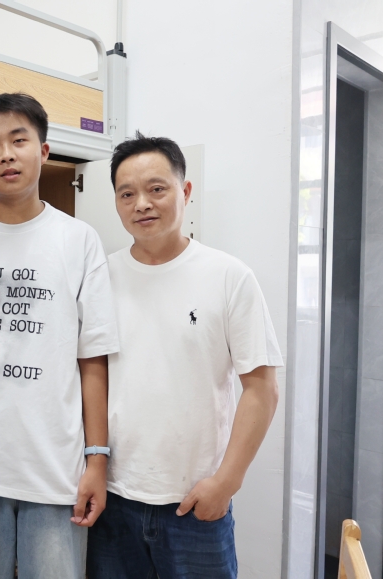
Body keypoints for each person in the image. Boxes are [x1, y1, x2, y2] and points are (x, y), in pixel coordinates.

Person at [0, 93, 119, 579]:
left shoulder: (79, 240)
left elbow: (92, 359)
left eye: (19, 141)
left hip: (54, 464)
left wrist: (97, 458)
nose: (6, 155)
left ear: (44, 151)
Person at [86, 133, 283, 579]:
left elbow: (262, 389)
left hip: (195, 504)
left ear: (186, 191)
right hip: (115, 499)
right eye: (127, 194)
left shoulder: (229, 276)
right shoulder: (99, 277)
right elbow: (90, 374)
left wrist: (226, 482)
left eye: (157, 189)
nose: (142, 204)